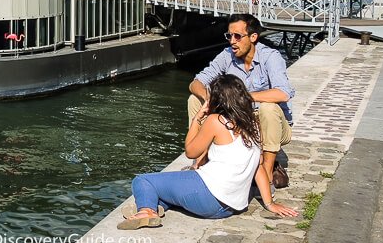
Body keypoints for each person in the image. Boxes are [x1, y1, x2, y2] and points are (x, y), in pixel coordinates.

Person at [119, 75, 298, 229]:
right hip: (229, 208)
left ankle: (145, 211)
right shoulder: (252, 124)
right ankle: (157, 207)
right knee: (165, 193)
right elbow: (258, 169)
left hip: (207, 199)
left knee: (143, 181)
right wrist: (270, 204)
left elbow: (190, 151)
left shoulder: (216, 121)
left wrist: (198, 118)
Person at [188, 13, 294, 186]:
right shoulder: (226, 55)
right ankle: (200, 160)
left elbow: (283, 93)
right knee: (194, 100)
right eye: (229, 35)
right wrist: (209, 98)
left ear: (253, 37)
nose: (232, 41)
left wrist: (241, 97)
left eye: (238, 36)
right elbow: (196, 82)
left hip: (271, 125)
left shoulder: (271, 57)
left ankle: (267, 171)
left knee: (269, 107)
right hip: (240, 122)